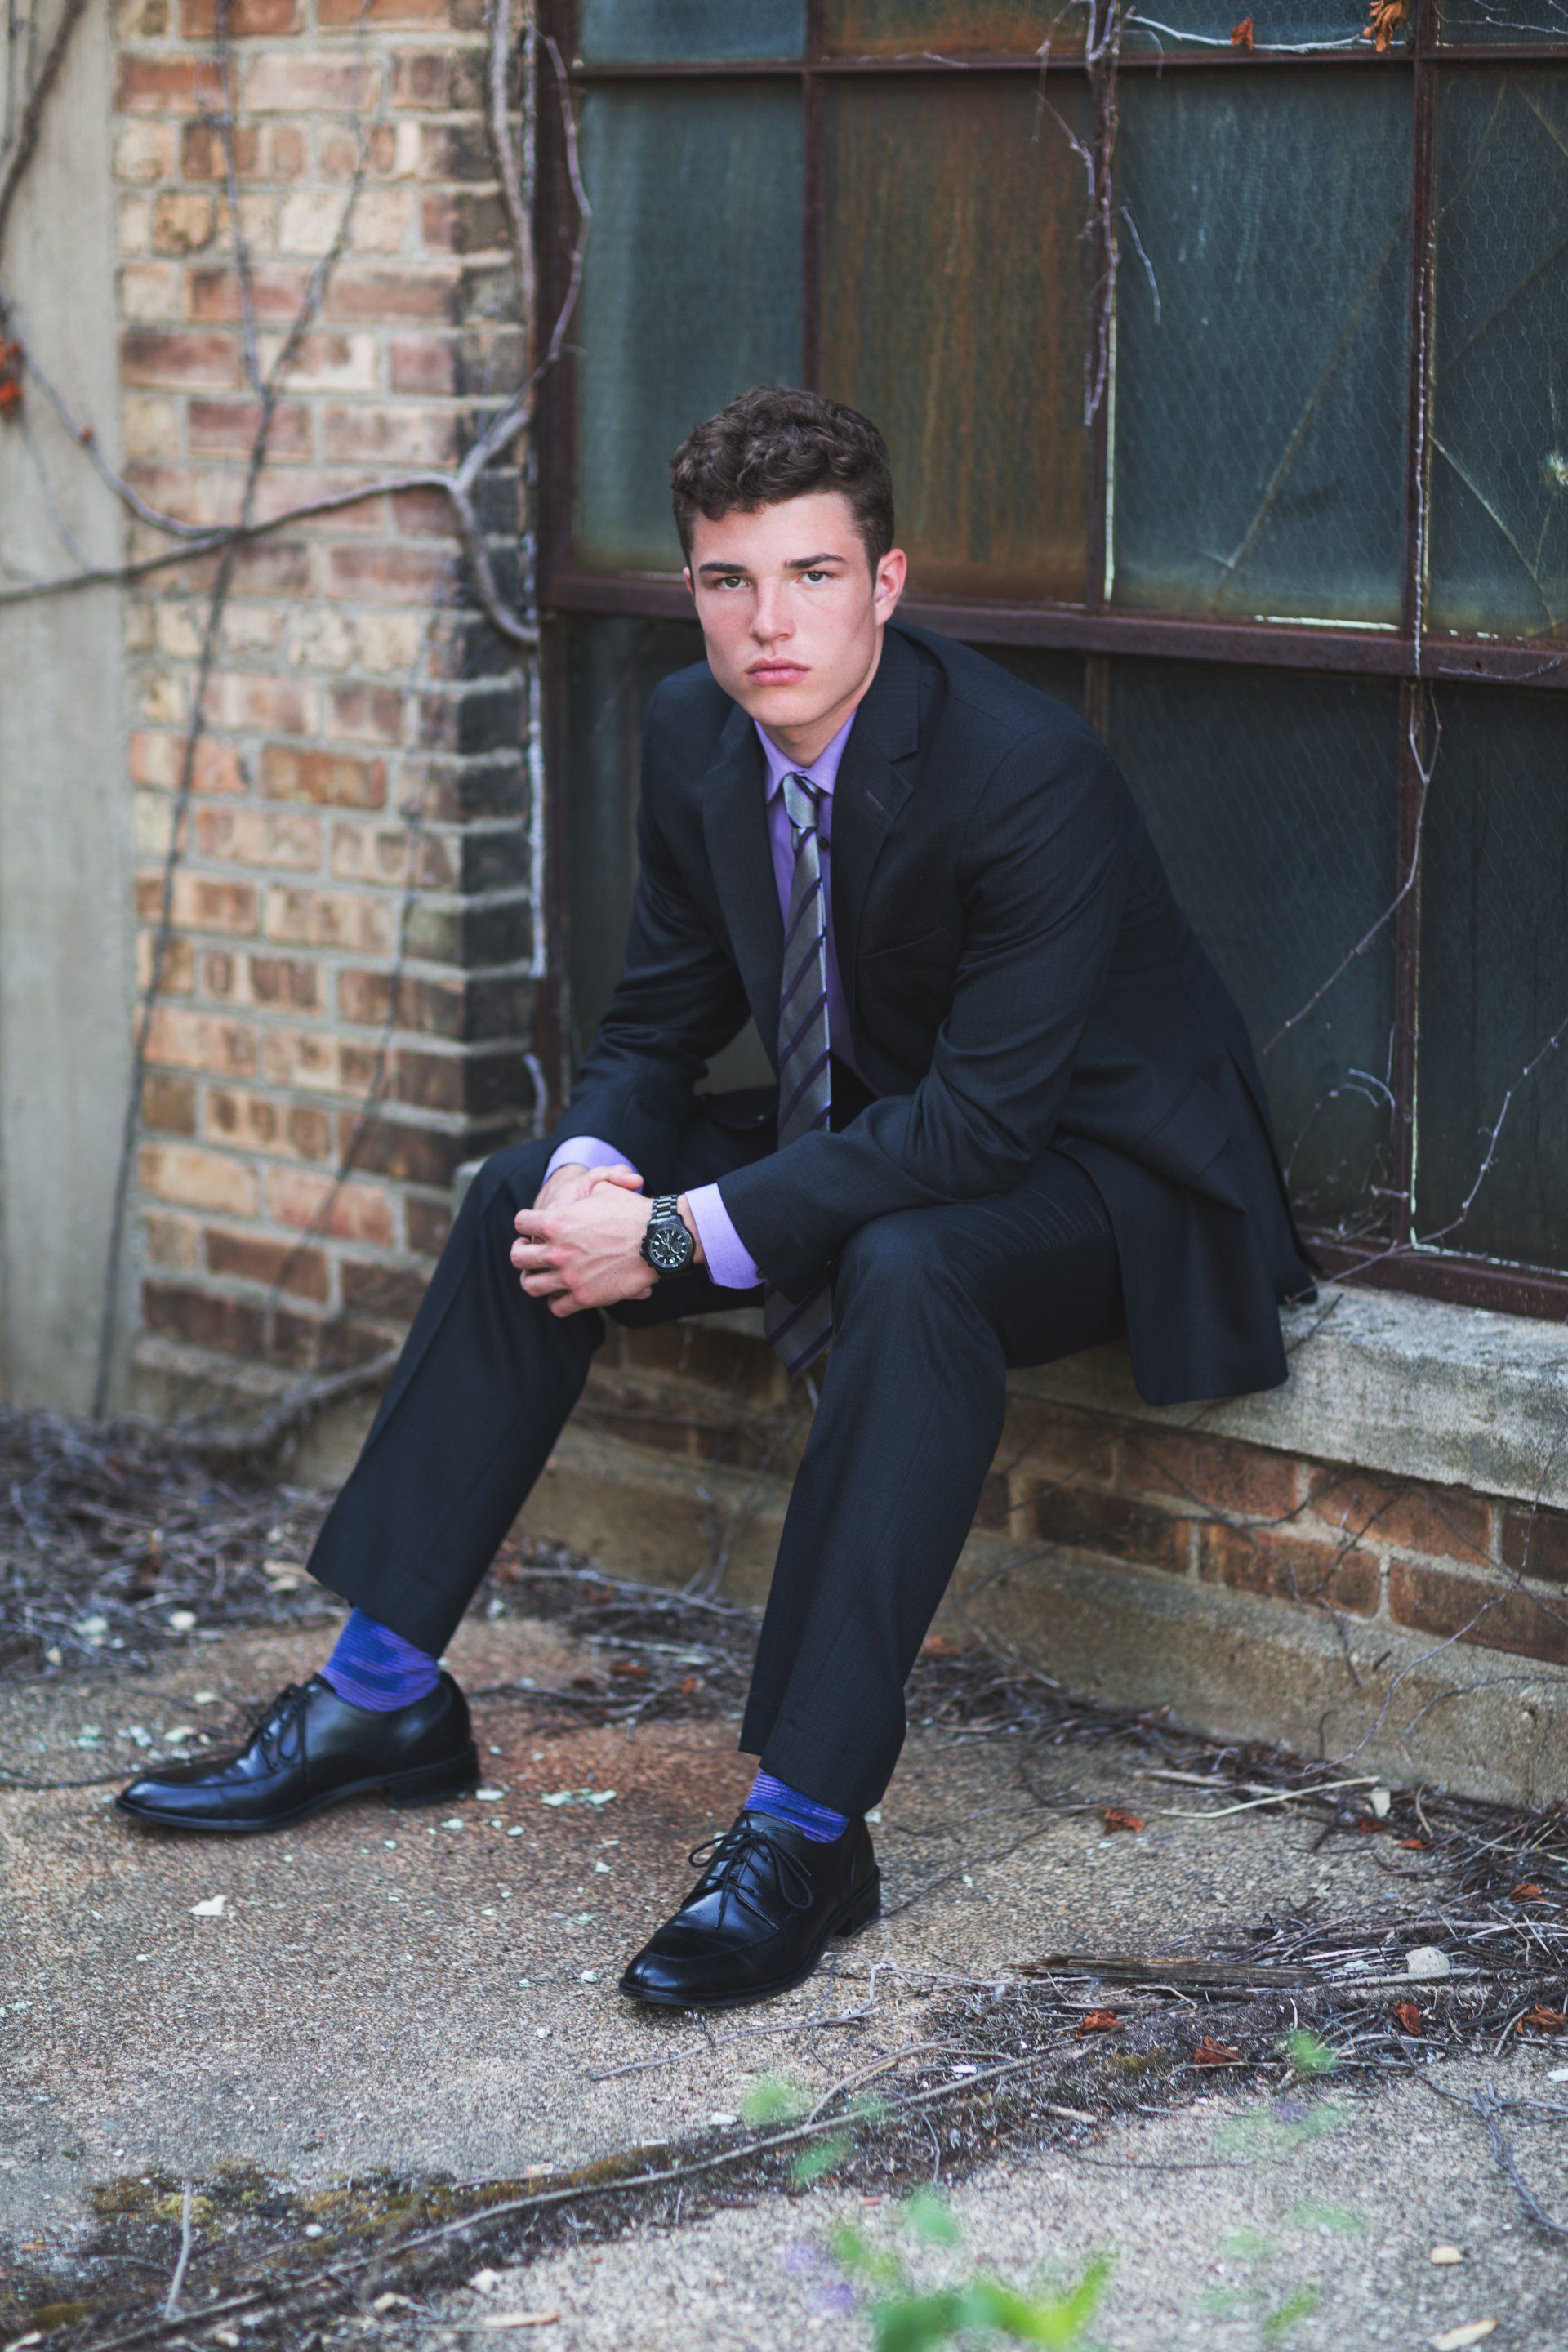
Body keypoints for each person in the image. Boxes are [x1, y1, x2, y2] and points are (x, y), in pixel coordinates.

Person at [117, 386, 1316, 2009]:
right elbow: (656, 1023)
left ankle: (808, 1830)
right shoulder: (697, 734)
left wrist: (681, 1237)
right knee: (524, 1191)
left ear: (886, 585)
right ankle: (382, 1697)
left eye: (813, 576)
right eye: (729, 581)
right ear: (693, 587)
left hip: (1108, 1171)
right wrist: (607, 1174)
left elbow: (978, 1132)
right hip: (884, 1122)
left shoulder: (1028, 775)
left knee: (906, 1264)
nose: (770, 623)